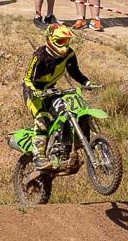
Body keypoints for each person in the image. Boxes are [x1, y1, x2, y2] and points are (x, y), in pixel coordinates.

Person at [22, 24, 95, 169]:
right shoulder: (39, 56)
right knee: (42, 119)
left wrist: (86, 82)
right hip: (33, 92)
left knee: (66, 113)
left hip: (50, 90)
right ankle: (39, 156)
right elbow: (27, 79)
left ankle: (64, 150)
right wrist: (35, 91)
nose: (65, 45)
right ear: (50, 40)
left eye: (67, 42)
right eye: (61, 41)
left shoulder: (69, 54)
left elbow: (74, 72)